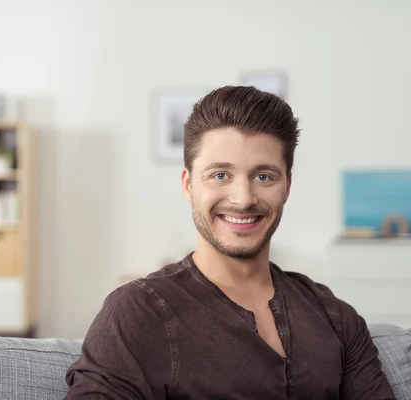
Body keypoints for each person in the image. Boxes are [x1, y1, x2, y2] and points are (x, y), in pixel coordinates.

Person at [63, 86, 395, 399]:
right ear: (188, 184)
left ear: (287, 187)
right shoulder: (137, 312)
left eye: (263, 176)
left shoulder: (336, 318)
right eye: (220, 175)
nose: (243, 198)